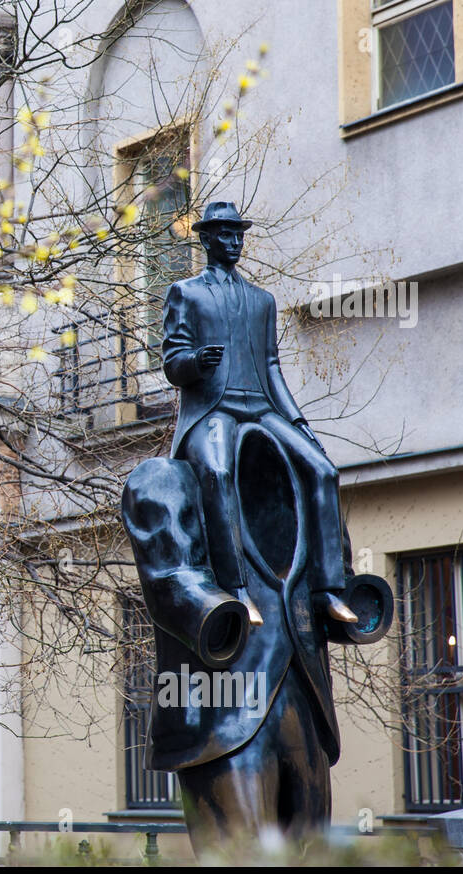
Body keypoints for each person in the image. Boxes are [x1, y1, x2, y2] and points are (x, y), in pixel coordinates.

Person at [160, 201, 357, 626]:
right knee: (217, 472)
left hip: (262, 407)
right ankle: (237, 589)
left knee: (322, 470)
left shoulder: (261, 300)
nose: (234, 242)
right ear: (207, 239)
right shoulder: (186, 293)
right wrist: (196, 361)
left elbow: (272, 368)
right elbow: (172, 363)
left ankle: (329, 589)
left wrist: (299, 424)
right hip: (213, 410)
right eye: (225, 235)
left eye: (239, 235)